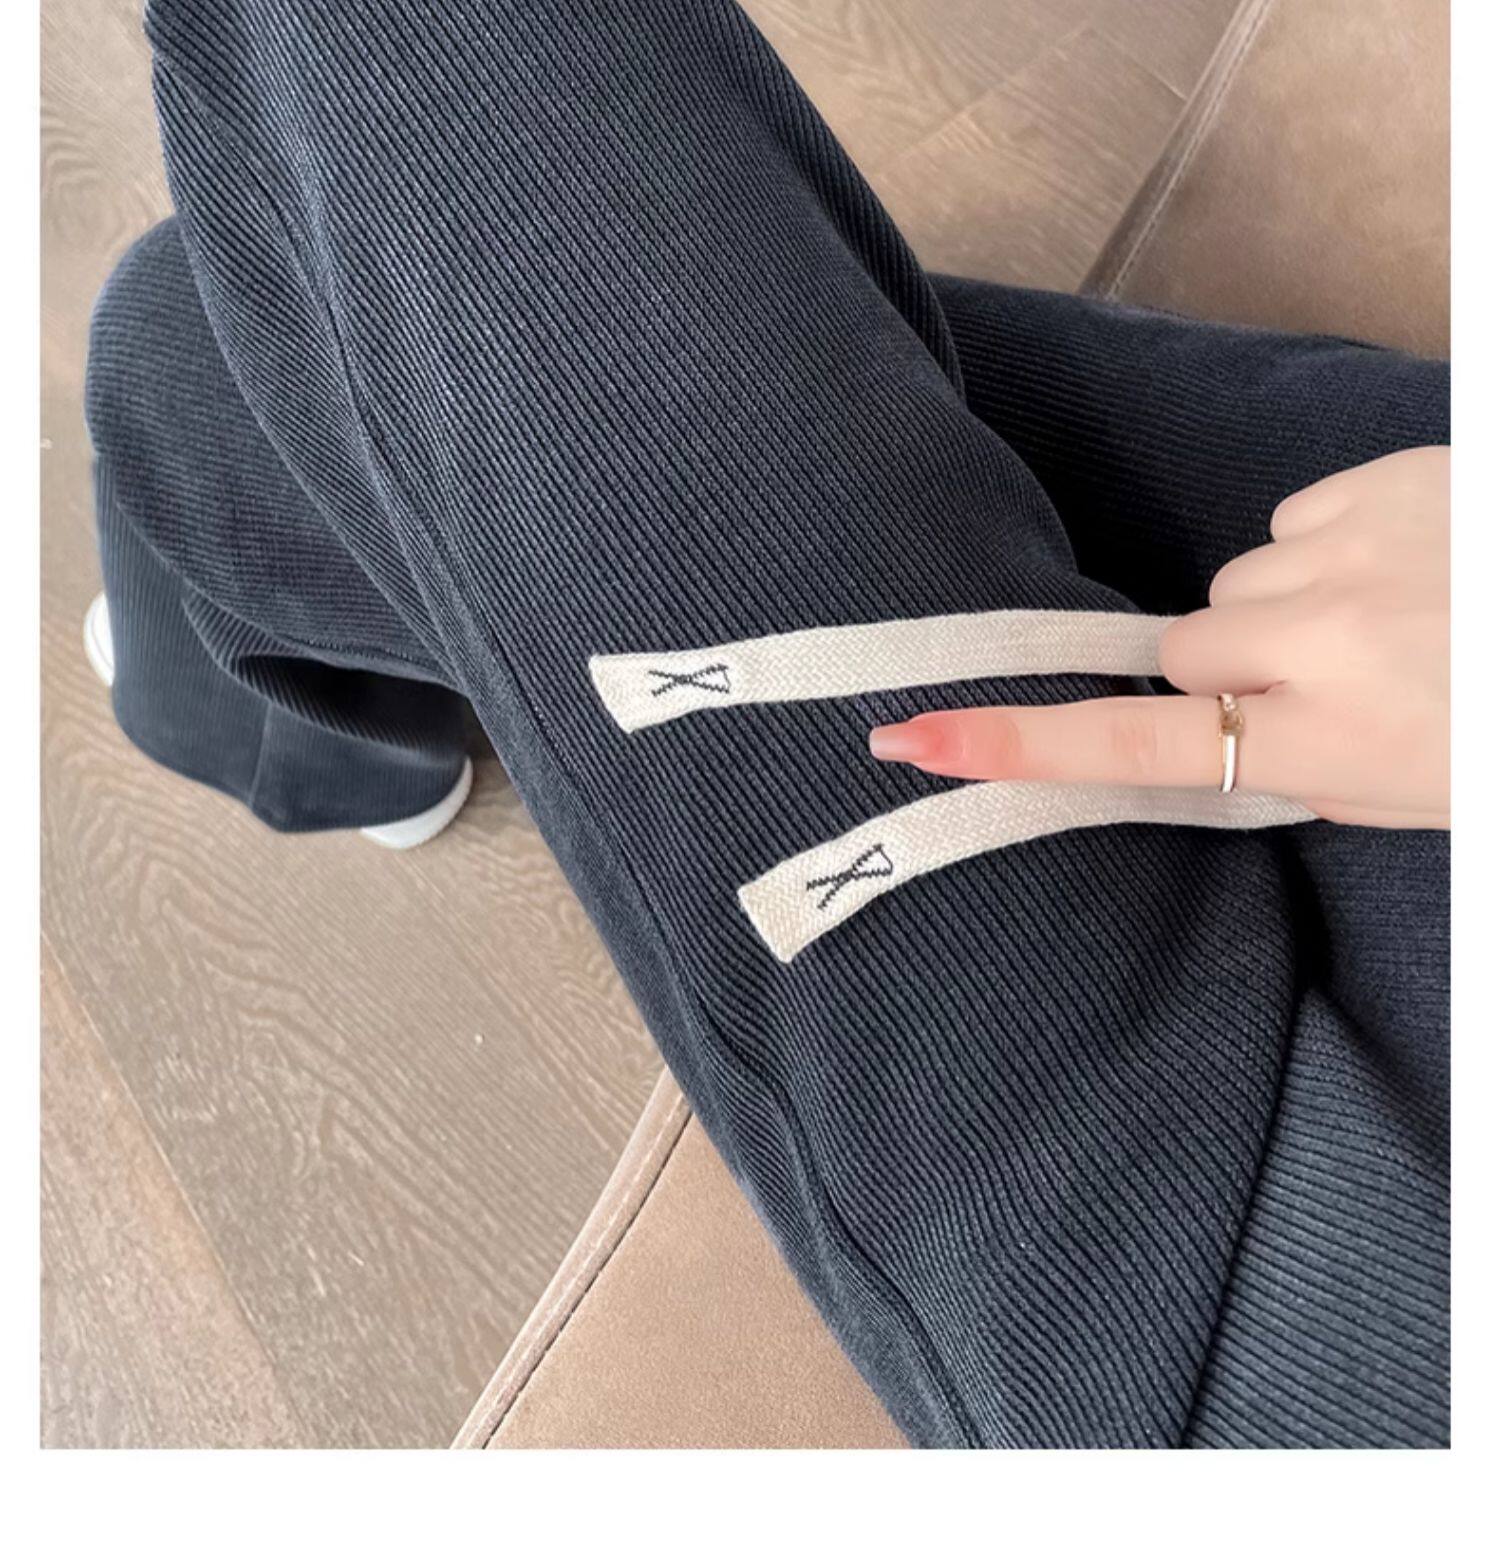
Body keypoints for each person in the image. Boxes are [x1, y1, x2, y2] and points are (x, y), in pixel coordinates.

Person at [84, 0, 1449, 1446]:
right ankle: (311, 735)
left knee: (220, 311)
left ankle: (302, 745)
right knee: (213, 341)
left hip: (1372, 1301)